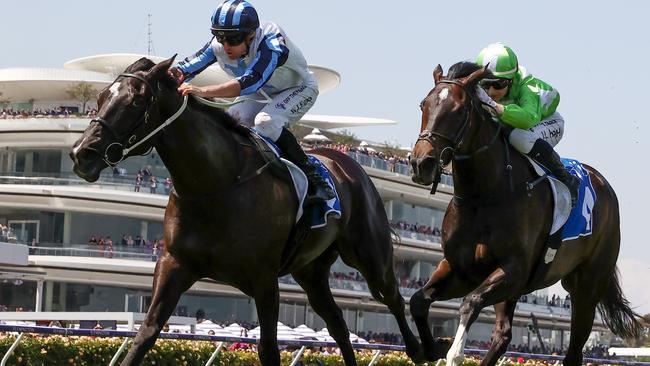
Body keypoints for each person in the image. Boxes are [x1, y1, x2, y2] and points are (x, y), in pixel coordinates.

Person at [169, 0, 334, 203]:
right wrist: (169, 76)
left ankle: (314, 178)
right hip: (264, 90)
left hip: (298, 88)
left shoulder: (271, 43)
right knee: (231, 123)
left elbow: (251, 81)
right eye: (221, 37)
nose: (226, 46)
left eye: (232, 39)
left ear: (251, 35)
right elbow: (185, 68)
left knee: (266, 122)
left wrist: (202, 90)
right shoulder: (219, 46)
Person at [475, 42, 580, 206]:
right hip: (517, 125)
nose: (491, 92)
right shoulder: (486, 89)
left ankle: (566, 179)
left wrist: (497, 108)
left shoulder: (527, 86)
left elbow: (528, 119)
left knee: (519, 138)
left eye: (498, 84)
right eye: (485, 84)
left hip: (547, 122)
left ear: (510, 81)